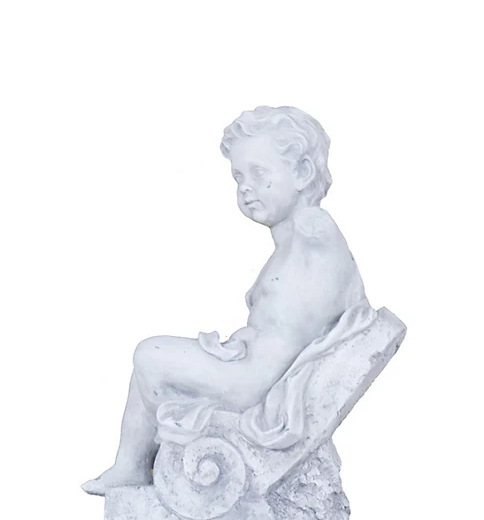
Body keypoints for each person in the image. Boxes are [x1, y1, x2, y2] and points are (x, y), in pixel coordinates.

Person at [82, 106, 368, 495]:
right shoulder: (289, 245)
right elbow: (290, 320)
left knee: (149, 354)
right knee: (149, 363)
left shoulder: (313, 228)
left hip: (256, 385)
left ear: (303, 173)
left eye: (259, 173)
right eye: (239, 177)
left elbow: (316, 316)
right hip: (248, 368)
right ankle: (131, 466)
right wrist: (240, 343)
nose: (246, 187)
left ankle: (137, 463)